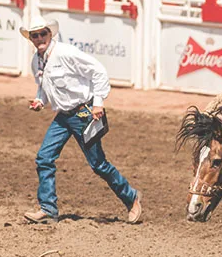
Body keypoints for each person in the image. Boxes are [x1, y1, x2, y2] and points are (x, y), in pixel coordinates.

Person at [22, 16, 142, 223]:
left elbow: (98, 72)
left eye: (43, 33)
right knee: (44, 158)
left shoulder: (66, 53)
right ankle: (48, 208)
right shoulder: (37, 60)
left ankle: (131, 198)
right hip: (63, 116)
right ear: (31, 38)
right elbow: (43, 87)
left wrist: (98, 103)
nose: (40, 38)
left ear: (50, 34)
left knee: (98, 165)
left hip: (83, 113)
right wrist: (40, 101)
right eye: (35, 35)